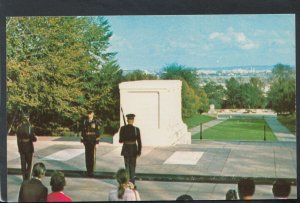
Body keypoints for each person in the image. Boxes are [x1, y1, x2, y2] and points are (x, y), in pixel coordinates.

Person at [119, 113, 142, 185]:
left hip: (126, 149)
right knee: (132, 166)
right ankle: (132, 183)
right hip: (133, 149)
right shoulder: (136, 129)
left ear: (127, 120)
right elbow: (139, 141)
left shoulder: (123, 128)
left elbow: (120, 140)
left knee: (127, 167)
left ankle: (127, 182)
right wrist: (139, 151)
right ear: (133, 120)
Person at [16, 113, 37, 181]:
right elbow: (33, 138)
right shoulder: (29, 127)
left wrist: (19, 148)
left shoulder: (19, 126)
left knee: (23, 164)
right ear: (27, 118)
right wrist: (35, 138)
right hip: (28, 148)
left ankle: (24, 179)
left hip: (21, 147)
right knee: (30, 164)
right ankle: (28, 178)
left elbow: (18, 139)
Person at [80, 110, 101, 177]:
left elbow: (97, 132)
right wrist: (82, 140)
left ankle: (91, 171)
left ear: (93, 114)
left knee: (92, 156)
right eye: (88, 114)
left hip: (92, 141)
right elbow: (83, 131)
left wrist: (97, 142)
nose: (89, 115)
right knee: (87, 156)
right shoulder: (85, 121)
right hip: (87, 141)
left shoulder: (95, 122)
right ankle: (88, 170)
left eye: (90, 114)